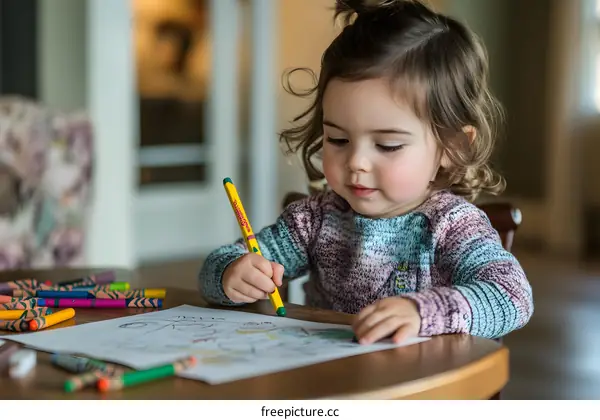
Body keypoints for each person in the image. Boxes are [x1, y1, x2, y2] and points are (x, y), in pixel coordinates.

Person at [198, 0, 533, 344]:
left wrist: (423, 312)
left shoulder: (452, 226)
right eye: (339, 139)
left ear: (452, 148)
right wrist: (231, 274)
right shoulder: (314, 220)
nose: (356, 161)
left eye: (387, 145)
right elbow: (219, 263)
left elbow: (511, 295)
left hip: (419, 388)